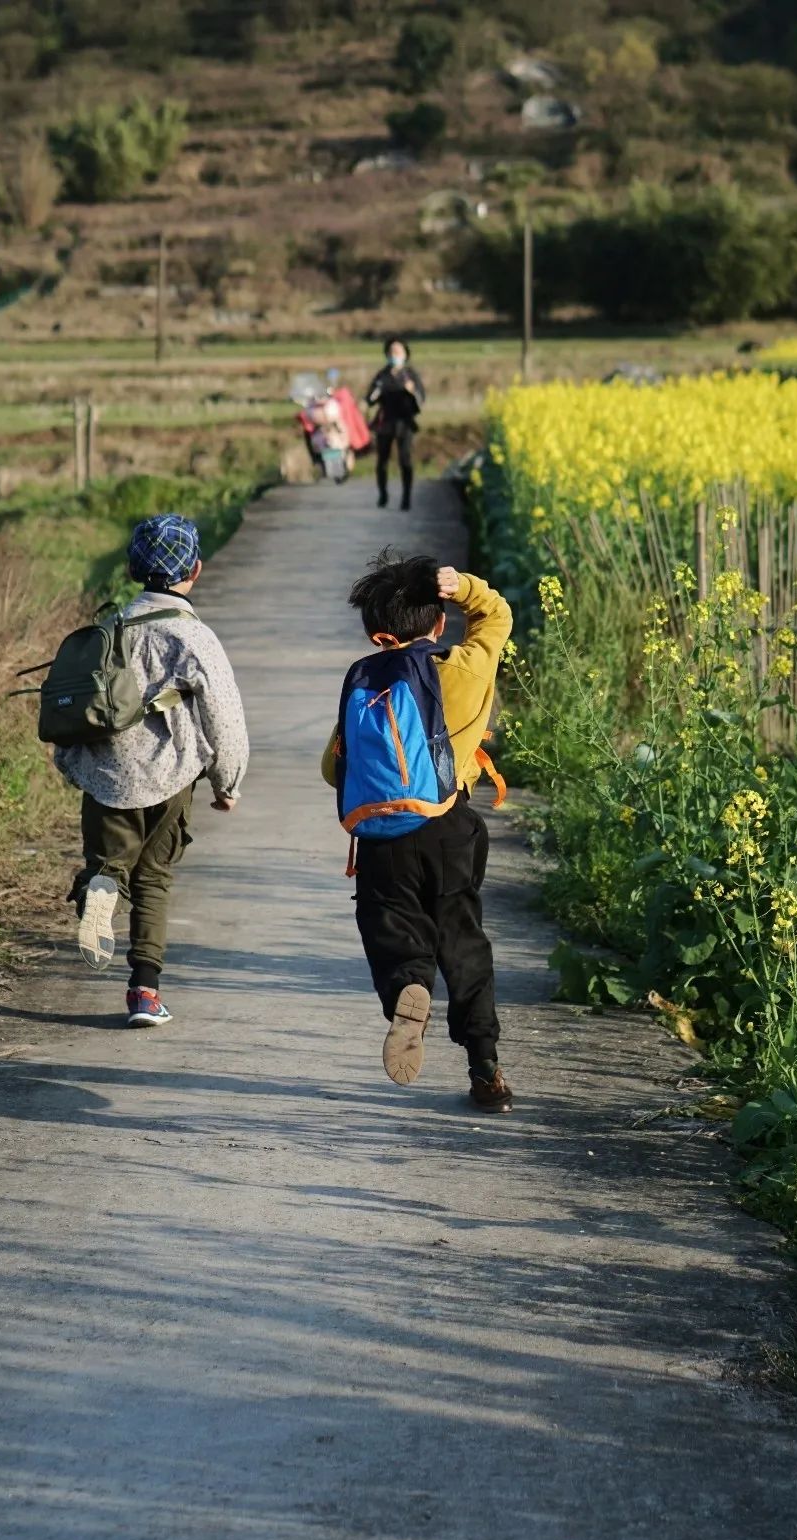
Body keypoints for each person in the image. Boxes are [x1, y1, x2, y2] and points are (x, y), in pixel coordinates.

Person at [321, 551, 514, 1110]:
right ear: (437, 621)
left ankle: (409, 984)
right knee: (462, 940)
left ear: (375, 631)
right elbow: (496, 617)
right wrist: (467, 588)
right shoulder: (463, 667)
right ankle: (485, 1069)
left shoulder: (366, 682)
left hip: (383, 837)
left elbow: (334, 767)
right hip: (449, 827)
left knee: (388, 925)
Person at [55, 514, 249, 1028]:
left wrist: (72, 765)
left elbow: (75, 701)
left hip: (106, 775)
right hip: (169, 776)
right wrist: (227, 781)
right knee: (155, 879)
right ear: (197, 570)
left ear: (134, 568)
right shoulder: (192, 637)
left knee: (109, 864)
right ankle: (144, 994)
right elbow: (224, 715)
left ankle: (101, 885)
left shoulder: (110, 627)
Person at [366, 337, 425, 511]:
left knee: (405, 460)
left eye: (398, 352)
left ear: (406, 354)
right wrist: (378, 388)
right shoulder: (382, 375)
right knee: (382, 460)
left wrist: (412, 390)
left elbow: (421, 401)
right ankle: (383, 494)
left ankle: (406, 498)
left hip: (405, 422)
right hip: (385, 421)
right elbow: (369, 399)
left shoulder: (411, 375)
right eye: (392, 352)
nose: (395, 355)